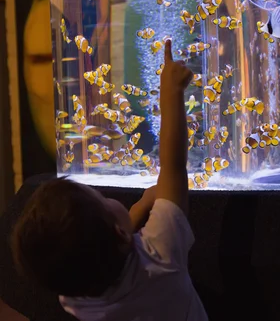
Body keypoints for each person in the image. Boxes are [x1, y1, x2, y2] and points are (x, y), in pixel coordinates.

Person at [10, 40, 207, 321]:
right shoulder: (162, 256)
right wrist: (171, 93)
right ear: (120, 233)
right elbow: (173, 166)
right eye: (102, 199)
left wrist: (149, 200)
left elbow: (122, 228)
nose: (109, 199)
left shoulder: (74, 297)